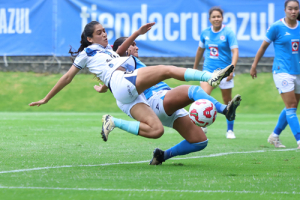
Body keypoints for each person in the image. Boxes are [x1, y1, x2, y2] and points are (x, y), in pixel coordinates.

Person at [29, 21, 234, 149]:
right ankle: (210, 77)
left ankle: (113, 122)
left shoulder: (106, 50)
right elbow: (67, 78)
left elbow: (117, 54)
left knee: (156, 131)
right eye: (99, 32)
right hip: (121, 83)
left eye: (105, 31)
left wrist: (135, 34)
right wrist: (46, 98)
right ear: (90, 38)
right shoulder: (87, 53)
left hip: (126, 95)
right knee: (166, 69)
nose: (105, 34)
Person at [95, 36, 241, 165]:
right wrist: (137, 33)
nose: (136, 46)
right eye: (132, 44)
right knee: (193, 90)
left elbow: (112, 81)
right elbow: (117, 56)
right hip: (155, 101)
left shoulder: (130, 65)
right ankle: (224, 109)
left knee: (199, 141)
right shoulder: (123, 60)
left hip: (164, 105)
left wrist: (105, 87)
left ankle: (162, 156)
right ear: (125, 48)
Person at [250, 0, 300, 149]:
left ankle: (274, 136)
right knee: (291, 106)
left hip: (297, 71)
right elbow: (263, 47)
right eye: (290, 9)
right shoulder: (276, 27)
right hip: (281, 71)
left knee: (292, 106)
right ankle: (299, 140)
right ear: (285, 10)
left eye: (296, 9)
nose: (293, 11)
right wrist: (254, 65)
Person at [193, 7, 239, 139]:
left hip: (225, 72)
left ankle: (230, 130)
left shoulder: (228, 32)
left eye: (218, 16)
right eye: (214, 17)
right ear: (209, 19)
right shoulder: (205, 33)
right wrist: (195, 67)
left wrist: (232, 68)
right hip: (208, 71)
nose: (216, 19)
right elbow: (200, 50)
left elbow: (235, 51)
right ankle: (203, 124)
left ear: (222, 18)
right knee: (203, 97)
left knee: (227, 101)